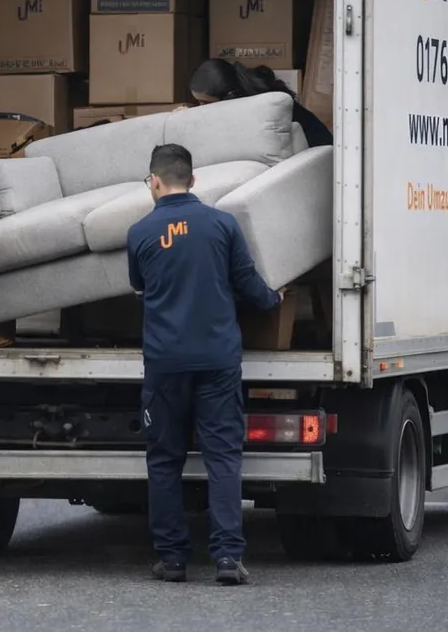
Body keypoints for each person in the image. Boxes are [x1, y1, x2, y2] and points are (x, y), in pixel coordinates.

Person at [126, 143, 283, 587]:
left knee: (163, 461)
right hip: (217, 360)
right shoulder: (222, 225)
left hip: (165, 364)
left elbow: (138, 286)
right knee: (223, 459)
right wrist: (274, 300)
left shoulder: (139, 232)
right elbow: (249, 285)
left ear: (154, 182)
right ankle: (228, 558)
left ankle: (172, 559)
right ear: (193, 180)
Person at [188, 58, 333, 147]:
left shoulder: (263, 107)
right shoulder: (240, 96)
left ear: (230, 96)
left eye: (205, 104)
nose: (201, 109)